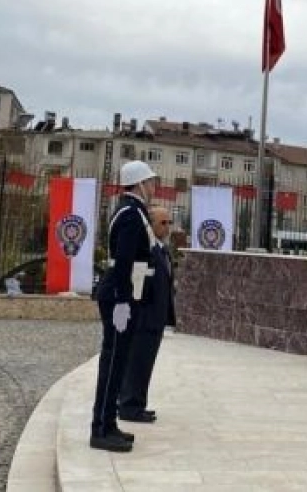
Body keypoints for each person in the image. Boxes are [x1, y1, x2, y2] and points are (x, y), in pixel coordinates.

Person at [89, 160, 158, 452]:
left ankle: (108, 423)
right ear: (139, 183)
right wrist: (121, 301)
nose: (153, 186)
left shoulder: (133, 211)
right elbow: (124, 260)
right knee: (113, 362)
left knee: (118, 363)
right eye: (150, 181)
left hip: (126, 294)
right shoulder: (131, 214)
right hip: (121, 296)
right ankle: (100, 429)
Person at [118, 205, 177, 423]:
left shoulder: (162, 250)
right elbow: (138, 285)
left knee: (145, 364)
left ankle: (138, 403)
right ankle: (129, 406)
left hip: (156, 318)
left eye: (169, 222)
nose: (167, 227)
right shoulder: (146, 250)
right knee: (137, 363)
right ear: (151, 225)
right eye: (163, 223)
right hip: (145, 318)